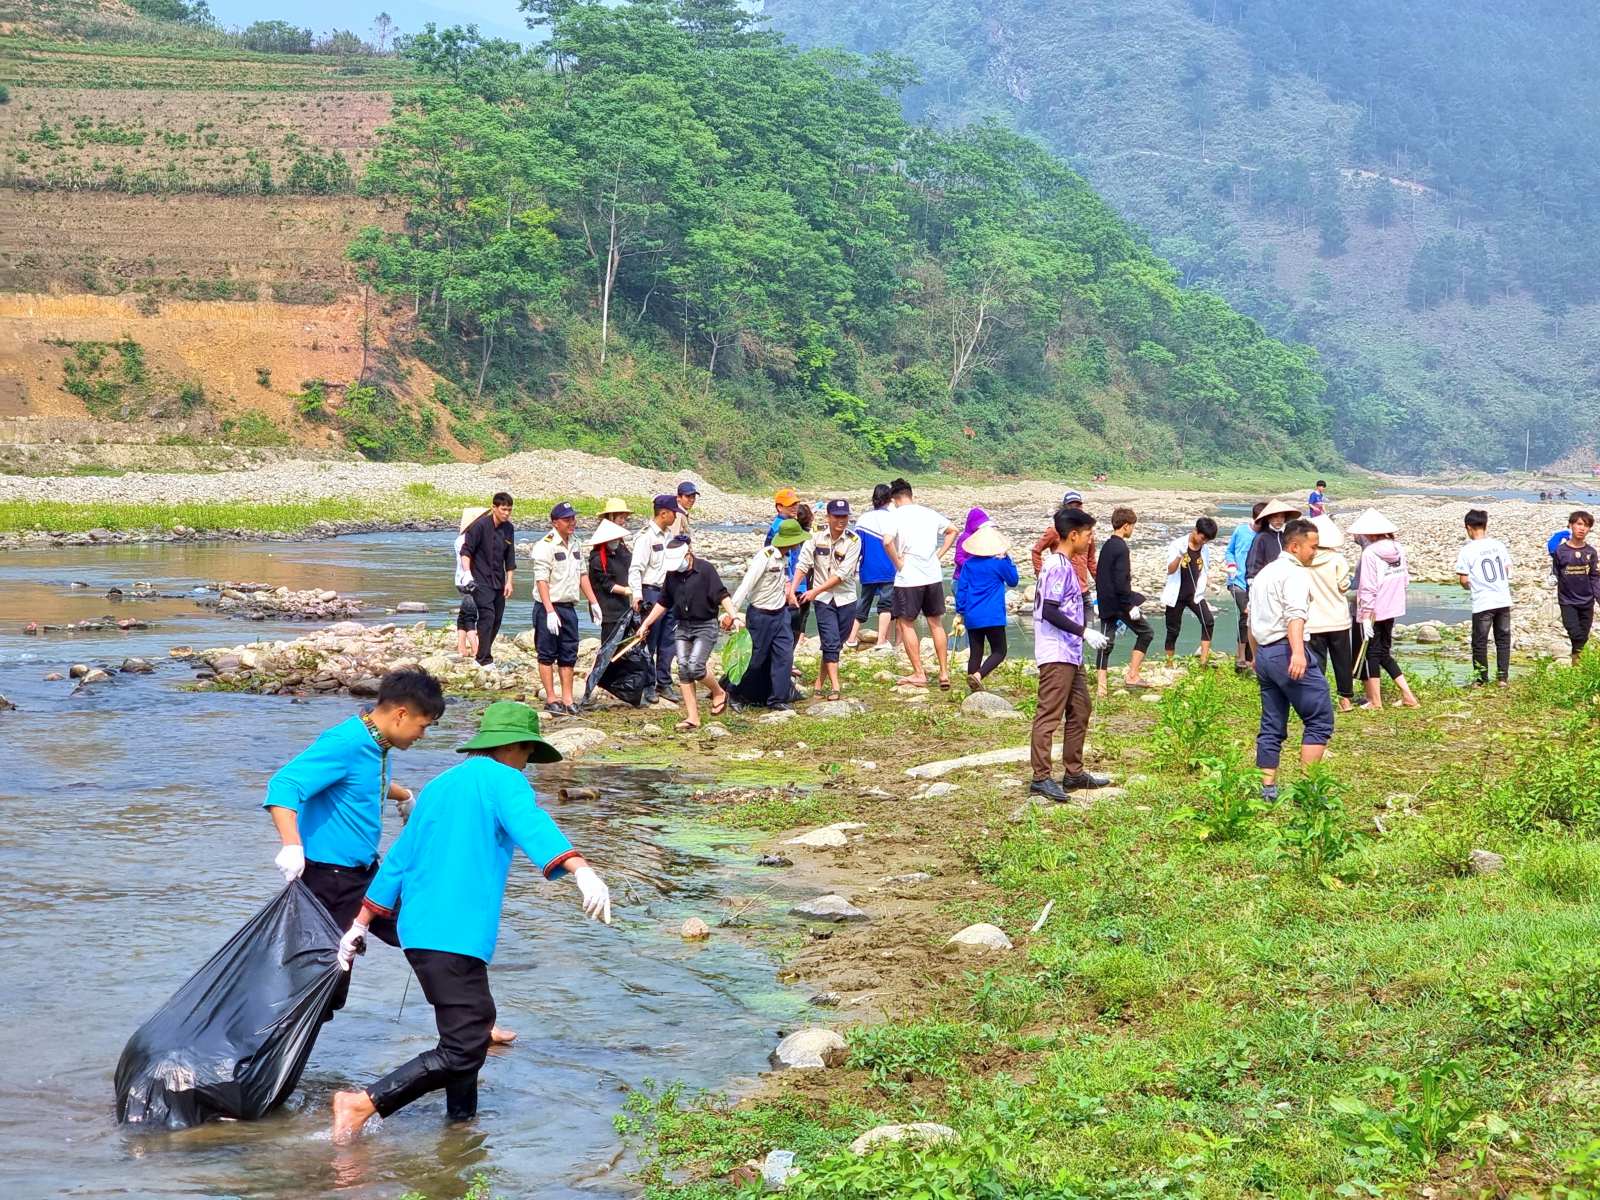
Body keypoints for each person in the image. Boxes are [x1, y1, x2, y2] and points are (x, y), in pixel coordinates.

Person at [329, 701, 612, 1143]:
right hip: (455, 932)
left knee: (473, 1028)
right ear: (515, 747)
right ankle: (362, 1103)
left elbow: (399, 860)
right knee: (465, 1046)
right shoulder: (506, 780)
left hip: (420, 930)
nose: (527, 765)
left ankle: (460, 1129)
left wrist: (361, 922)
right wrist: (581, 869)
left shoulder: (441, 784)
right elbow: (532, 824)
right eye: (527, 755)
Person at [264, 669, 438, 1020]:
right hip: (329, 882)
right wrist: (291, 845)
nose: (423, 735)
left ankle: (470, 1021)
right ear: (401, 714)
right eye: (423, 725)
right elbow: (283, 786)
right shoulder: (345, 742)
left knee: (421, 930)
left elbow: (362, 780)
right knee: (324, 986)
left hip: (365, 874)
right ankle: (270, 1061)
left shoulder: (377, 744)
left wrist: (403, 795)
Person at [1028, 506, 1110, 803]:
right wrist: (1083, 631)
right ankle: (1040, 777)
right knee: (1049, 714)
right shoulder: (1056, 566)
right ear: (1073, 535)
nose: (1090, 540)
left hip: (1071, 652)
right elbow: (1049, 610)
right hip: (1057, 650)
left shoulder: (1066, 564)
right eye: (1088, 534)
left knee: (1081, 708)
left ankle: (1074, 772)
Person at [1248, 519, 1333, 803]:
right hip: (1286, 650)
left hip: (1265, 653)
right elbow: (1295, 615)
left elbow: (1251, 620)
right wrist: (1297, 652)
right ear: (1295, 546)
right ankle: (1309, 792)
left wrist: (1254, 656)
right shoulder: (1294, 574)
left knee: (1272, 722)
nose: (1315, 552)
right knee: (1319, 718)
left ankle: (1267, 789)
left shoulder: (1264, 574)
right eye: (1312, 546)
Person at [636, 535, 740, 730]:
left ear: (689, 554)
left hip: (705, 625)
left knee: (696, 667)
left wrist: (733, 616)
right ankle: (693, 717)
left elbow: (722, 595)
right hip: (682, 625)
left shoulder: (706, 570)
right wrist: (646, 624)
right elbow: (663, 602)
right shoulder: (672, 574)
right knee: (683, 668)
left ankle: (719, 692)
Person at [529, 502, 604, 716]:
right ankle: (552, 697)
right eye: (567, 519)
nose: (572, 523)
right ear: (555, 522)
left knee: (568, 653)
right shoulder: (545, 545)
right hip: (548, 607)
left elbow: (582, 574)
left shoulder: (576, 544)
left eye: (573, 518)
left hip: (569, 606)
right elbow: (541, 580)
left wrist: (593, 601)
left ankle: (568, 698)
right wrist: (549, 610)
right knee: (546, 653)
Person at [727, 517, 810, 709]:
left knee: (784, 657)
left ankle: (778, 699)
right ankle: (735, 693)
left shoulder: (786, 558)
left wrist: (790, 597)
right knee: (754, 659)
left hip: (780, 614)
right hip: (760, 615)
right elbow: (746, 585)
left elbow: (783, 582)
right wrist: (732, 612)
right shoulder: (765, 556)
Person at [884, 478, 957, 689]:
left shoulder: (895, 515)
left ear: (894, 499)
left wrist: (898, 563)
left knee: (906, 623)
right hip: (932, 574)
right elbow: (953, 530)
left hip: (908, 577)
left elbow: (887, 541)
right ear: (911, 495)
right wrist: (939, 555)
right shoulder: (929, 513)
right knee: (936, 622)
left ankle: (919, 672)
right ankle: (944, 673)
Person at [1350, 508, 1421, 709]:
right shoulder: (1398, 548)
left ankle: (1375, 701)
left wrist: (1364, 615)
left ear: (1370, 534)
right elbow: (1405, 579)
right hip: (1393, 607)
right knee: (1383, 653)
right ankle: (1408, 695)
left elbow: (1368, 586)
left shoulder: (1370, 553)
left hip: (1374, 610)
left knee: (1372, 653)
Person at [793, 499, 861, 700]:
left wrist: (814, 591)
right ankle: (835, 687)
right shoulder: (815, 537)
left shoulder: (854, 540)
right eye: (837, 516)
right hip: (824, 600)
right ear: (828, 517)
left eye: (845, 516)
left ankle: (819, 682)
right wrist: (793, 589)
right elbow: (803, 563)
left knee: (835, 645)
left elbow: (843, 574)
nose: (841, 520)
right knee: (830, 642)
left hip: (846, 598)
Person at [629, 496, 685, 705]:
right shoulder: (645, 537)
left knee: (668, 641)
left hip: (669, 592)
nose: (675, 516)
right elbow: (636, 568)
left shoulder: (670, 536)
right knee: (649, 641)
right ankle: (648, 684)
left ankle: (664, 681)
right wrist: (636, 594)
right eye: (673, 512)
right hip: (651, 592)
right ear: (663, 513)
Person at [1093, 506, 1152, 696]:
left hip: (1105, 601)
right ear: (1126, 526)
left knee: (1105, 641)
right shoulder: (1121, 548)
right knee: (1146, 633)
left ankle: (1102, 687)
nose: (1132, 530)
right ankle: (1132, 675)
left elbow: (1101, 576)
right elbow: (1122, 580)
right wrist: (1130, 606)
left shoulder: (1108, 545)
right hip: (1120, 603)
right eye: (1132, 526)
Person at [952, 520, 1018, 691]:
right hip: (993, 615)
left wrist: (960, 612)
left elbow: (962, 589)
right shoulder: (999, 562)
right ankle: (979, 675)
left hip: (972, 615)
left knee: (975, 653)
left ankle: (973, 692)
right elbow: (1013, 581)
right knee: (999, 651)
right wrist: (1008, 558)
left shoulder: (968, 564)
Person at [1455, 509, 1513, 686]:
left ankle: (1481, 679)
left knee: (1480, 642)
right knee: (1503, 639)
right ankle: (1502, 678)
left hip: (1483, 602)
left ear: (1469, 528)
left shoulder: (1467, 550)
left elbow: (1463, 579)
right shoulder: (1499, 545)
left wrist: (1469, 586)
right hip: (1503, 599)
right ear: (1485, 525)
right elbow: (1507, 570)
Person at [458, 493, 516, 666]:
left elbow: (510, 557)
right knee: (487, 616)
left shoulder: (509, 529)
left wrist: (509, 581)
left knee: (497, 618)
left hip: (498, 580)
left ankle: (483, 651)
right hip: (479, 578)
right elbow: (466, 551)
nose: (506, 513)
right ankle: (483, 659)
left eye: (509, 510)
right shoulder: (479, 526)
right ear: (494, 508)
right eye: (504, 509)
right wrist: (467, 573)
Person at [1305, 514, 1355, 712]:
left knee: (1317, 661)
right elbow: (1344, 586)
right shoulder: (1337, 559)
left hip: (1313, 619)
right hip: (1337, 619)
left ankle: (1318, 699)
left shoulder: (1304, 561)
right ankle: (1345, 700)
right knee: (1342, 661)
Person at [1160, 516, 1218, 667]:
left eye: (1207, 540)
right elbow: (1170, 570)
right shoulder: (1177, 545)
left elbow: (1202, 570)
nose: (1204, 542)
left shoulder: (1204, 549)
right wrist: (1179, 555)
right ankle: (1169, 662)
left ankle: (1204, 661)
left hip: (1194, 595)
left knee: (1208, 621)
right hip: (1177, 594)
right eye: (1203, 538)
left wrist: (1211, 584)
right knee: (1173, 629)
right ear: (1195, 531)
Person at [849, 483, 897, 650]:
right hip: (888, 568)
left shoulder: (863, 519)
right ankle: (881, 641)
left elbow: (856, 546)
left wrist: (853, 567)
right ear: (889, 499)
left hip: (867, 568)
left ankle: (851, 638)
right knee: (885, 605)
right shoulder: (892, 517)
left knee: (863, 602)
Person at [1551, 510, 1600, 664]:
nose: (1582, 528)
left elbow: (1595, 577)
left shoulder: (1591, 552)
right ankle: (1578, 663)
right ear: (1571, 525)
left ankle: (1576, 666)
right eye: (1579, 524)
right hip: (1568, 601)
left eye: (1586, 526)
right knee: (1575, 634)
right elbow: (1555, 573)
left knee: (1583, 638)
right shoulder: (1561, 551)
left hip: (1587, 601)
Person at [1225, 502, 1266, 673]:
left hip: (1257, 584)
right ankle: (1241, 657)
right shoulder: (1241, 531)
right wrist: (1231, 565)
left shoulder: (1266, 536)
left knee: (1255, 617)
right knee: (1245, 613)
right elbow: (1230, 551)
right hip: (1238, 582)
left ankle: (1252, 657)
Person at [1031, 489, 1097, 593]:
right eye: (1071, 506)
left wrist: (1099, 581)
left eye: (1078, 505)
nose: (1076, 509)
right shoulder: (1055, 530)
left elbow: (1091, 559)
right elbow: (1036, 550)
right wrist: (1040, 575)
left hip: (1083, 589)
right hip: (1063, 589)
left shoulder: (1087, 531)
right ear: (1065, 508)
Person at [587, 514, 634, 649]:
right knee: (610, 645)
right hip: (608, 610)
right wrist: (626, 590)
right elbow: (607, 584)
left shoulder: (620, 553)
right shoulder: (597, 559)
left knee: (624, 645)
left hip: (623, 607)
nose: (616, 541)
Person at [453, 506, 486, 660]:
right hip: (470, 580)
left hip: (461, 579)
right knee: (471, 613)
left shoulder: (461, 538)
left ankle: (461, 646)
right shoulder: (468, 539)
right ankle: (475, 647)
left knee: (464, 612)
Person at [1245, 498, 1301, 586]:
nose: (1279, 520)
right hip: (1266, 582)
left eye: (1282, 517)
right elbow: (1254, 561)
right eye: (1275, 517)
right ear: (1269, 519)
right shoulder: (1262, 537)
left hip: (1283, 581)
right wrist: (1252, 581)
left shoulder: (1284, 537)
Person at [787, 503, 815, 642]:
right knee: (803, 613)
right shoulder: (810, 538)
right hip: (804, 583)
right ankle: (800, 638)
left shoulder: (789, 538)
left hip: (788, 584)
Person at [953, 507, 991, 581]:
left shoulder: (980, 537)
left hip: (974, 578)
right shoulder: (965, 537)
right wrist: (973, 566)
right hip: (961, 579)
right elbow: (958, 558)